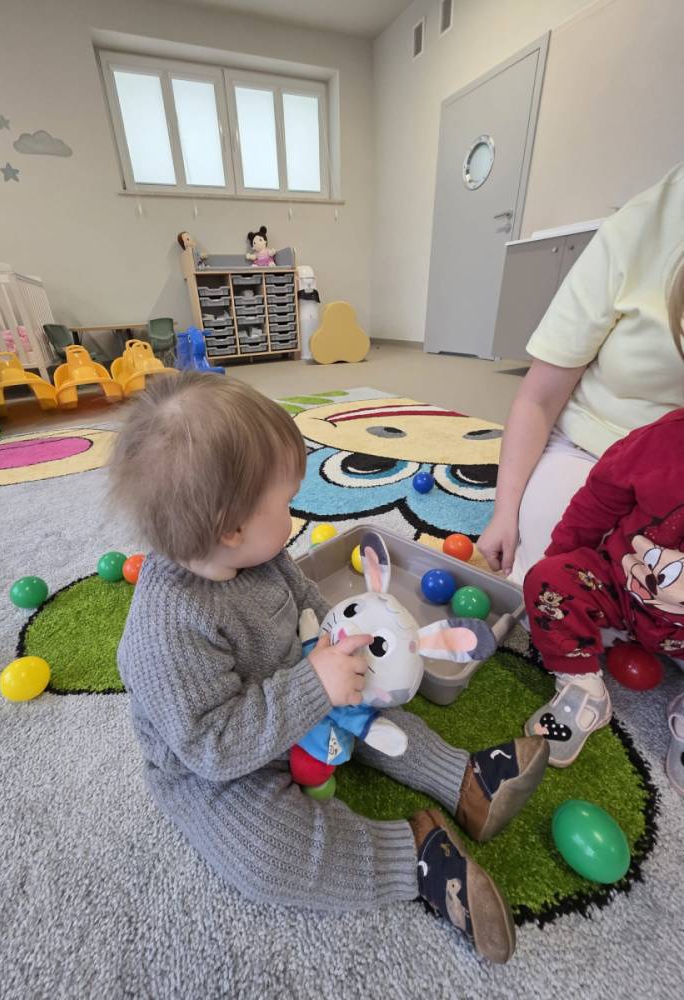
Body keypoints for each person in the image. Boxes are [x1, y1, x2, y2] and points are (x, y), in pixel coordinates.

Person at [111, 372, 548, 964]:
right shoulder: (168, 631)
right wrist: (314, 684)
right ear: (230, 529)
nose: (294, 514)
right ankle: (417, 857)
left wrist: (349, 647)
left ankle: (462, 778)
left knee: (368, 699)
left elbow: (312, 607)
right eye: (285, 503)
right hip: (220, 769)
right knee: (263, 855)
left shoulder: (260, 555)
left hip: (302, 694)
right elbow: (213, 748)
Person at [478, 163, 684, 584]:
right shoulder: (638, 228)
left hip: (668, 475)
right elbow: (537, 398)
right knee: (562, 575)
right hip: (596, 452)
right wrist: (505, 511)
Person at [520, 254, 684, 771]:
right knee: (547, 579)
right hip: (621, 588)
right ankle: (582, 685)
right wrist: (561, 557)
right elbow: (599, 499)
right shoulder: (661, 440)